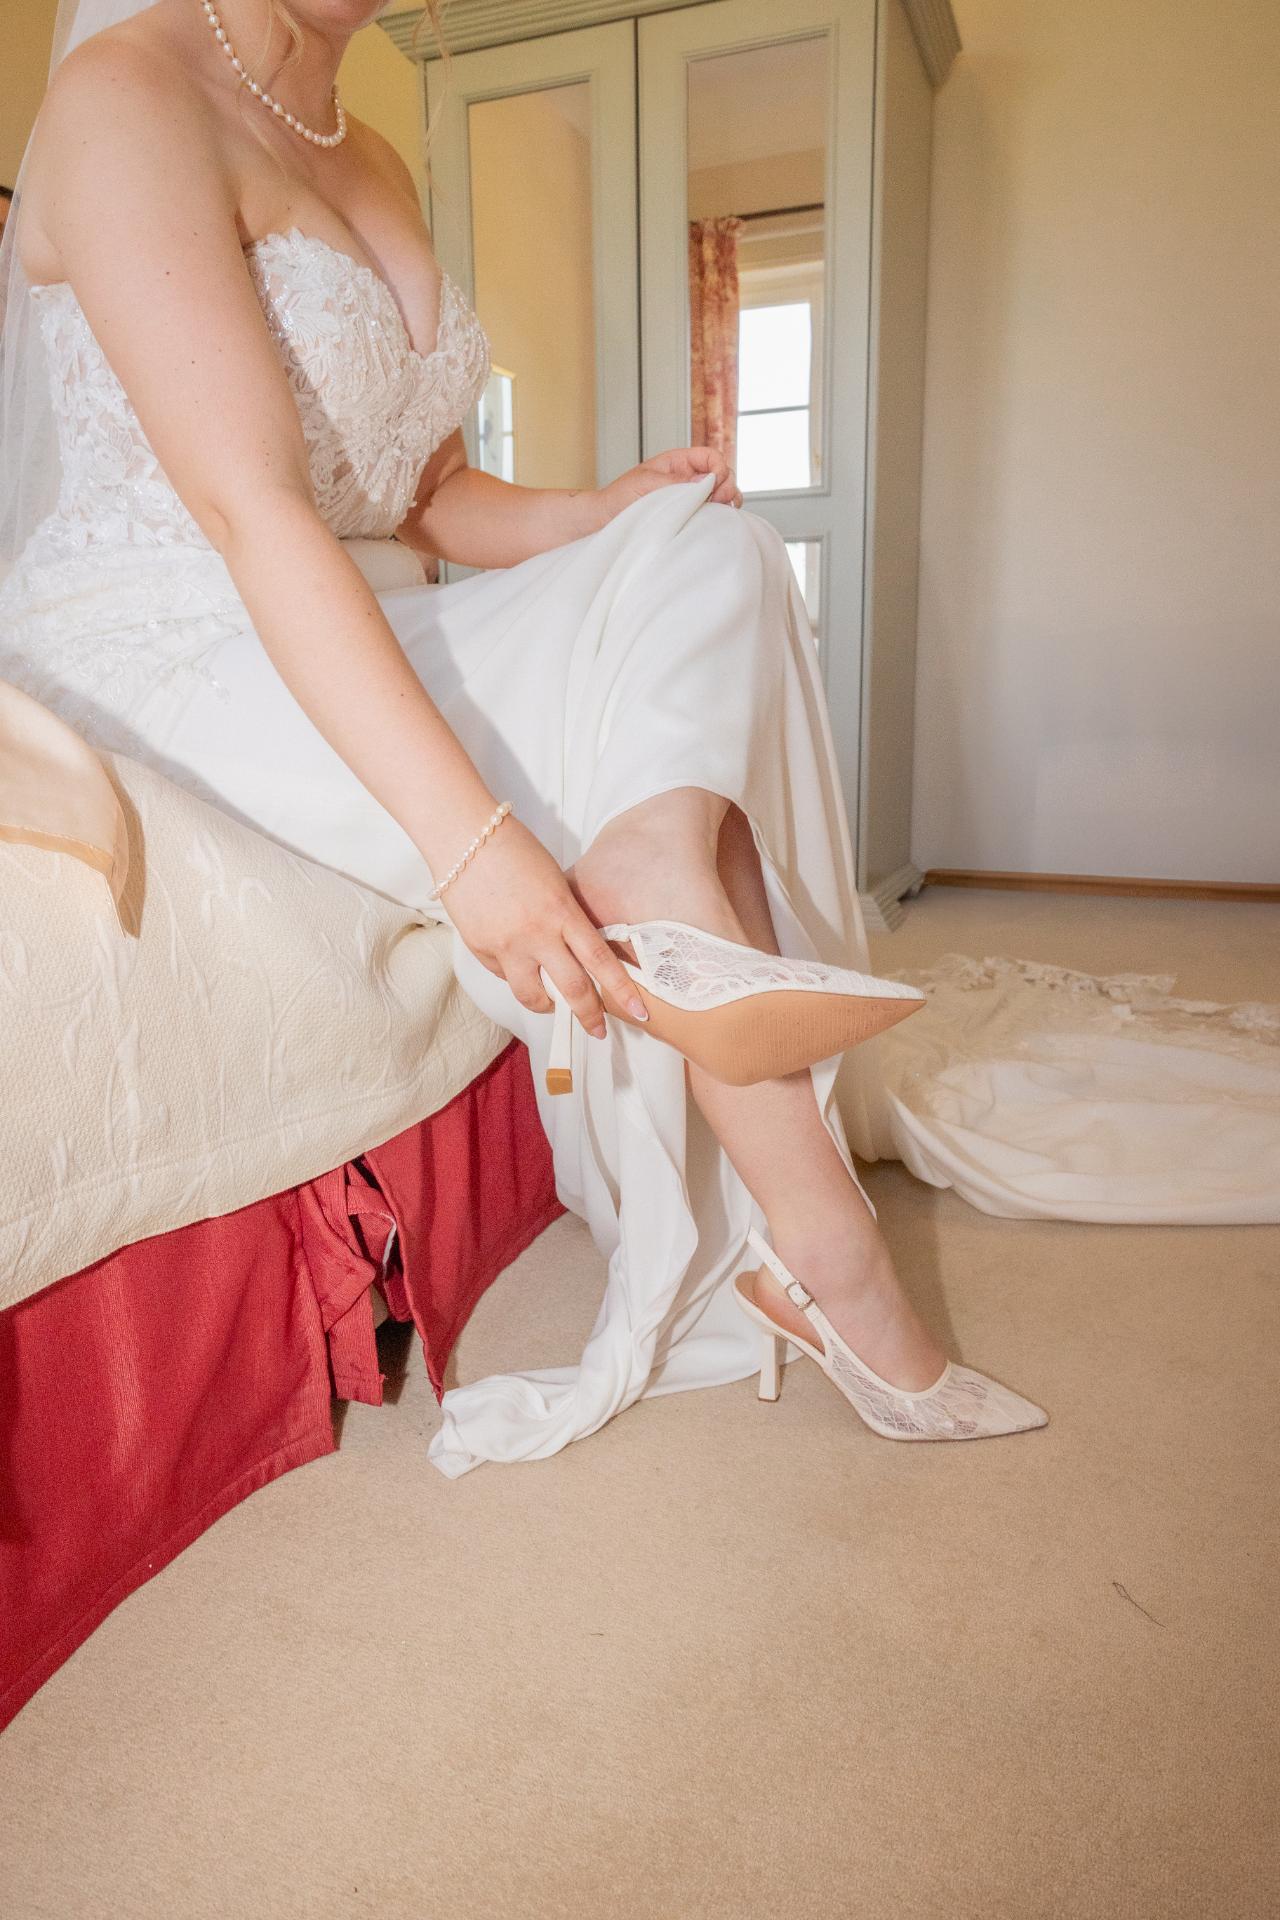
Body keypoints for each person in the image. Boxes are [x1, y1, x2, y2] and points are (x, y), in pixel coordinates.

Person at [0, 0, 1048, 1474]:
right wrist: (476, 846)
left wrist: (602, 510)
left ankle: (651, 856)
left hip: (348, 589)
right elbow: (257, 510)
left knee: (708, 548)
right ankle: (832, 1261)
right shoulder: (127, 94)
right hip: (170, 642)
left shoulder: (367, 148)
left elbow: (421, 498)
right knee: (599, 662)